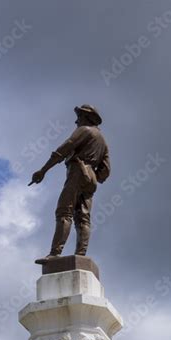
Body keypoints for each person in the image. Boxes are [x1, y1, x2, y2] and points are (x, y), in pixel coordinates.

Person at [29, 104, 111, 264]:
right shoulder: (103, 141)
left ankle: (54, 254)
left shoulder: (85, 130)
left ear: (87, 118)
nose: (76, 121)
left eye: (79, 117)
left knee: (64, 212)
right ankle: (81, 255)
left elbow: (63, 149)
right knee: (83, 218)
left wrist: (43, 170)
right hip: (91, 177)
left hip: (78, 171)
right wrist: (93, 176)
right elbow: (106, 169)